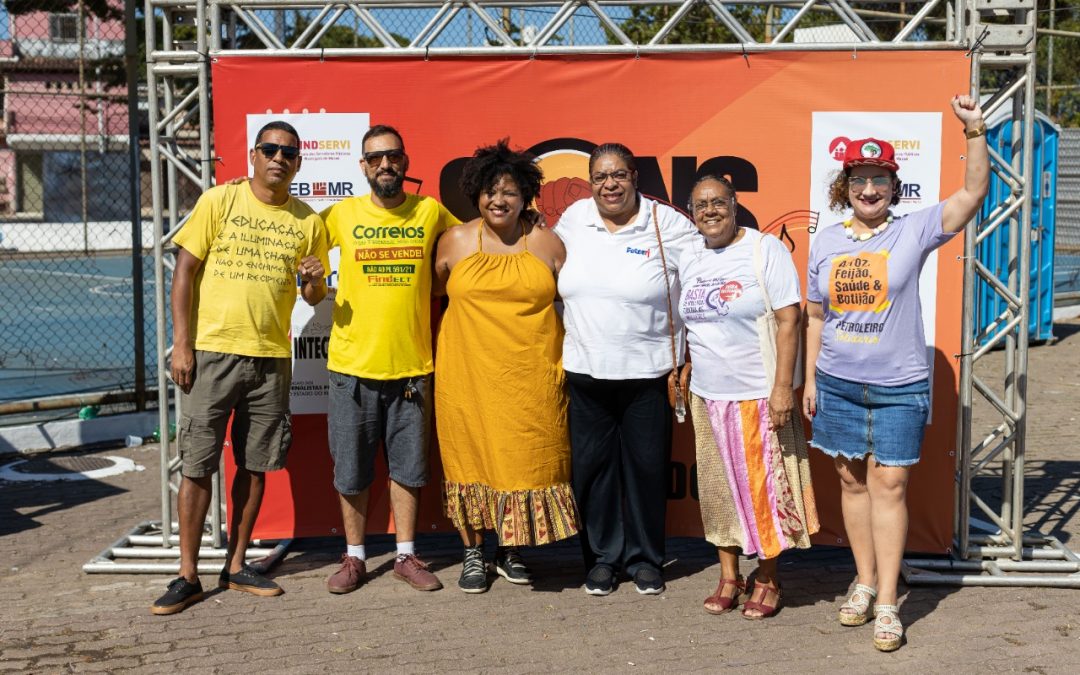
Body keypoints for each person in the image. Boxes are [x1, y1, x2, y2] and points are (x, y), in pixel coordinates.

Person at [803, 95, 989, 651]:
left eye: (879, 179)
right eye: (859, 179)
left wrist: (974, 129)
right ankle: (861, 581)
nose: (869, 190)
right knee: (851, 483)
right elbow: (816, 316)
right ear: (846, 185)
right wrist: (810, 380)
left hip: (899, 386)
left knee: (890, 485)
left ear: (894, 185)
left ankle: (887, 601)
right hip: (835, 381)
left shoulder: (915, 229)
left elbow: (974, 192)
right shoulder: (827, 240)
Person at [153, 120, 330, 615]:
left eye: (289, 152)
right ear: (253, 154)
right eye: (270, 148)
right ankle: (187, 575)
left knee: (256, 465)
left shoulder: (308, 222)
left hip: (273, 358)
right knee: (198, 464)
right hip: (211, 352)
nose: (279, 157)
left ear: (298, 163)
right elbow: (184, 272)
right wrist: (182, 345)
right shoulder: (218, 201)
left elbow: (313, 296)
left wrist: (313, 281)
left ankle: (234, 566)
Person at [320, 125, 460, 594]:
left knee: (409, 470)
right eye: (375, 158)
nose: (385, 165)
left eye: (393, 157)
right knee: (352, 470)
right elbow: (298, 243)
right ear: (362, 166)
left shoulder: (430, 212)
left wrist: (527, 226)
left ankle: (405, 555)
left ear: (405, 162)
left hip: (412, 369)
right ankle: (355, 559)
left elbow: (474, 243)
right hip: (351, 368)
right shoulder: (340, 214)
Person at [433, 139, 578, 593]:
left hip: (529, 377)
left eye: (510, 192)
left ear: (527, 196)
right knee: (470, 460)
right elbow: (439, 288)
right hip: (468, 376)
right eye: (491, 191)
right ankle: (474, 552)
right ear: (476, 194)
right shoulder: (454, 241)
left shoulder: (548, 244)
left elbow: (573, 300)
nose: (499, 200)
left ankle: (510, 548)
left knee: (522, 462)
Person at [554, 142, 697, 596]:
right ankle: (601, 560)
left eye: (618, 175)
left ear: (635, 177)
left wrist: (690, 355)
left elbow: (698, 287)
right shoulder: (574, 219)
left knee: (647, 469)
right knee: (592, 473)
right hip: (585, 371)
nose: (609, 185)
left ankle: (645, 559)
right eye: (600, 177)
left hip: (649, 372)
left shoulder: (668, 224)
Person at [678, 175, 819, 620]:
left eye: (718, 202)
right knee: (718, 490)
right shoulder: (689, 254)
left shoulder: (763, 250)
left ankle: (769, 577)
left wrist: (781, 388)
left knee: (764, 491)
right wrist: (684, 364)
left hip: (756, 394)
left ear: (735, 205)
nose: (710, 211)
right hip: (707, 395)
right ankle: (728, 576)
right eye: (701, 205)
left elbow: (788, 320)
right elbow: (692, 321)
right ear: (692, 212)